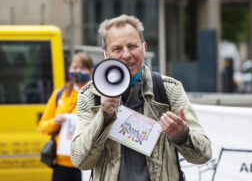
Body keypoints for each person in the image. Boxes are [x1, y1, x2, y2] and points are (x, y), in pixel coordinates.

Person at [70, 15, 212, 181]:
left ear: (144, 48)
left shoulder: (168, 89)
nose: (126, 54)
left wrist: (183, 136)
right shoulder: (90, 95)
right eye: (117, 49)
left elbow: (204, 155)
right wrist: (104, 116)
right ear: (105, 55)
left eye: (132, 46)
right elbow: (81, 161)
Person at [39, 52, 93, 181]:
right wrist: (55, 121)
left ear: (91, 71)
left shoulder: (97, 94)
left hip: (88, 163)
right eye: (75, 67)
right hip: (62, 165)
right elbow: (43, 126)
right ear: (69, 69)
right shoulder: (60, 94)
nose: (78, 71)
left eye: (83, 68)